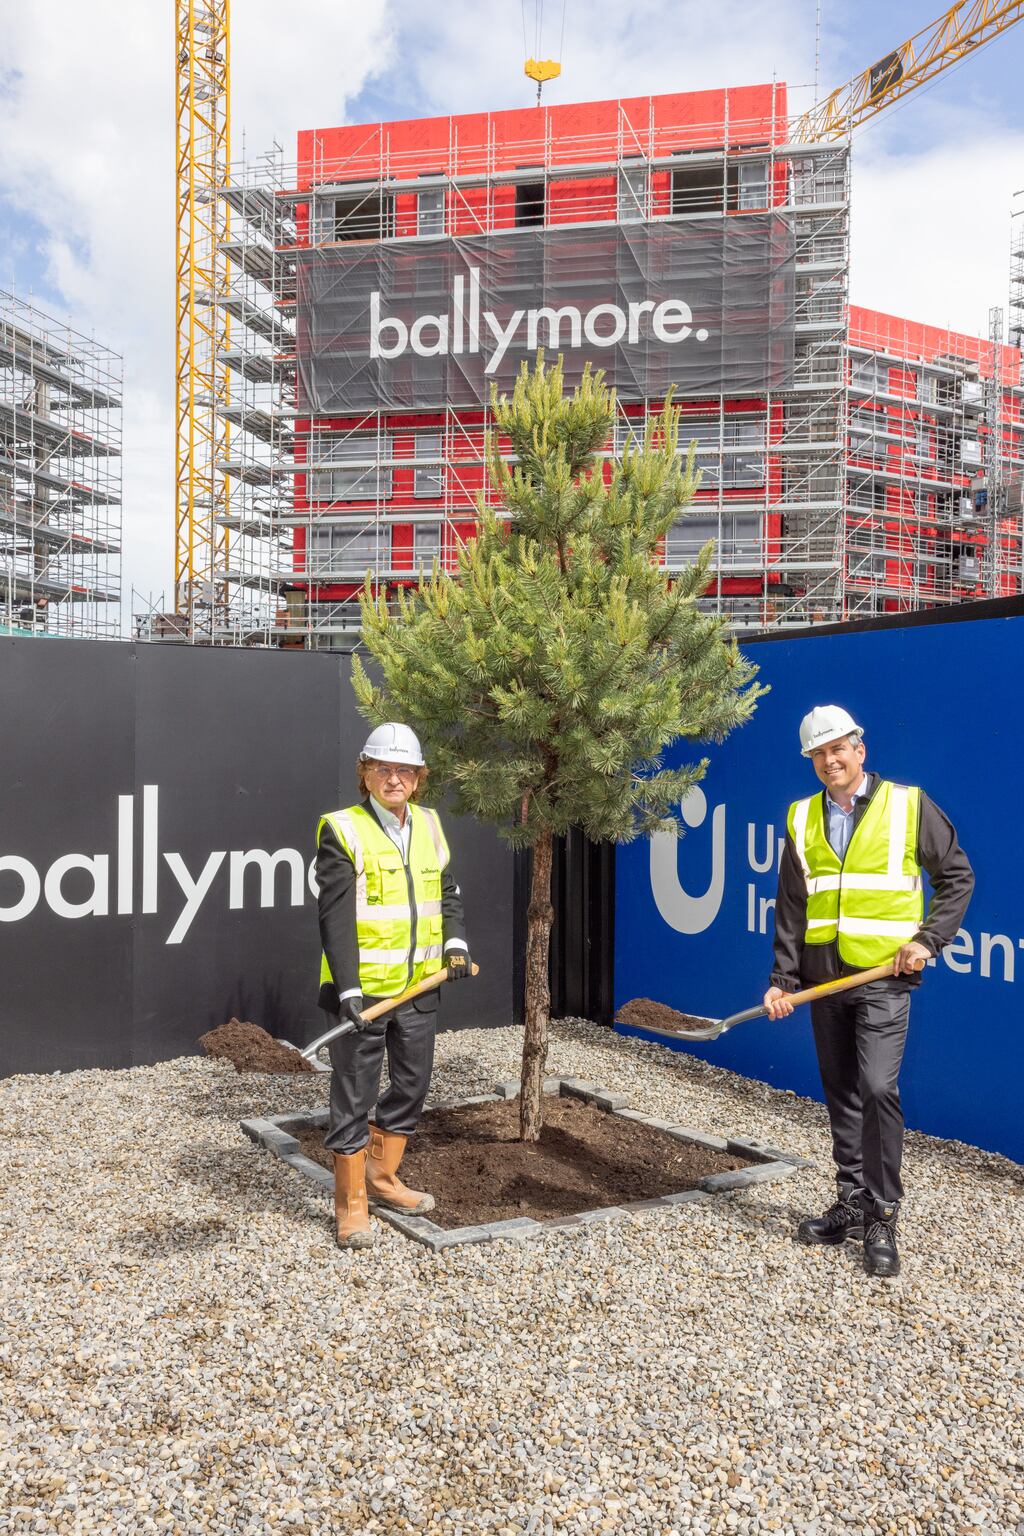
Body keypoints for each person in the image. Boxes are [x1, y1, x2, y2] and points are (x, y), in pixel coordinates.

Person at [763, 705, 974, 1279]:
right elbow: (792, 906)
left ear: (861, 748)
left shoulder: (908, 805)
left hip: (882, 979)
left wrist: (928, 939)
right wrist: (784, 979)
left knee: (878, 1088)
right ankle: (851, 1203)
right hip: (822, 981)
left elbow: (957, 876)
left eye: (839, 748)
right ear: (811, 761)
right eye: (819, 753)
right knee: (842, 1093)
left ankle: (882, 1215)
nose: (830, 760)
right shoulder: (802, 817)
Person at [316, 722, 471, 1250]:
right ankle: (351, 1203)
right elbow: (334, 917)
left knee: (412, 1084)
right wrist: (348, 991)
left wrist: (457, 945)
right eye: (384, 768)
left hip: (420, 986)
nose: (395, 778)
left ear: (418, 778)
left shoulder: (428, 824)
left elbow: (446, 892)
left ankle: (383, 1178)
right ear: (366, 773)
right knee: (353, 1095)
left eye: (405, 770)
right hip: (366, 994)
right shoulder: (342, 829)